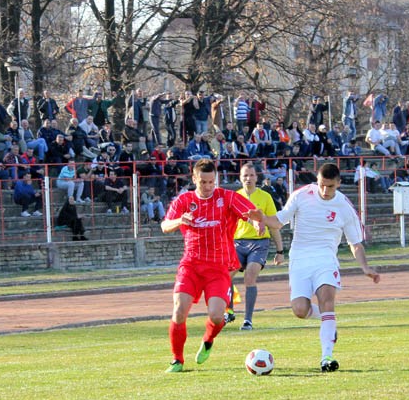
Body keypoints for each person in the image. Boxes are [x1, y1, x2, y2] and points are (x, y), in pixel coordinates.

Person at [260, 163, 381, 372]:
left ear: (339, 183)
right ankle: (328, 322)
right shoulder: (301, 195)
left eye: (330, 186)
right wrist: (261, 218)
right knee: (300, 310)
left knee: (327, 300)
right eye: (322, 185)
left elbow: (355, 243)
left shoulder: (344, 206)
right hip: (299, 260)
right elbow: (279, 221)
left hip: (325, 259)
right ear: (317, 180)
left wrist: (365, 267)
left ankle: (327, 357)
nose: (325, 191)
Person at [161, 158, 265, 372]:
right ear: (194, 179)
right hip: (190, 265)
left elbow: (252, 212)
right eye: (203, 182)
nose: (208, 187)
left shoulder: (227, 197)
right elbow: (165, 225)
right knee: (179, 310)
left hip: (218, 268)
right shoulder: (184, 201)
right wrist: (180, 220)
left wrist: (256, 220)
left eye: (211, 182)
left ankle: (208, 340)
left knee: (218, 316)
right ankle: (177, 360)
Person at [224, 163, 285, 331]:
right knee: (226, 274)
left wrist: (280, 251)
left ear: (257, 177)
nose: (248, 178)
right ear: (240, 178)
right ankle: (229, 310)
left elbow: (273, 225)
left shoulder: (265, 197)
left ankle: (248, 320)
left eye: (251, 175)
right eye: (245, 175)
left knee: (250, 276)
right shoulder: (234, 197)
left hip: (259, 244)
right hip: (238, 242)